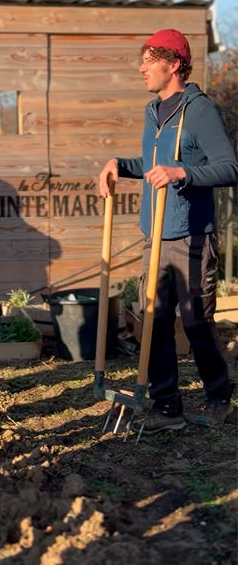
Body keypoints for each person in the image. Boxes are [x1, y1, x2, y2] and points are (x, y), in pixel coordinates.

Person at [99, 29, 238, 434]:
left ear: (173, 64)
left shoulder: (199, 110)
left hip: (192, 236)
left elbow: (229, 167)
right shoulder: (153, 111)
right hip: (155, 234)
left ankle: (218, 398)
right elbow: (153, 162)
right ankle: (166, 405)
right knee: (153, 318)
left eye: (149, 61)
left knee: (195, 322)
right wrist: (119, 164)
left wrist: (184, 173)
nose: (141, 68)